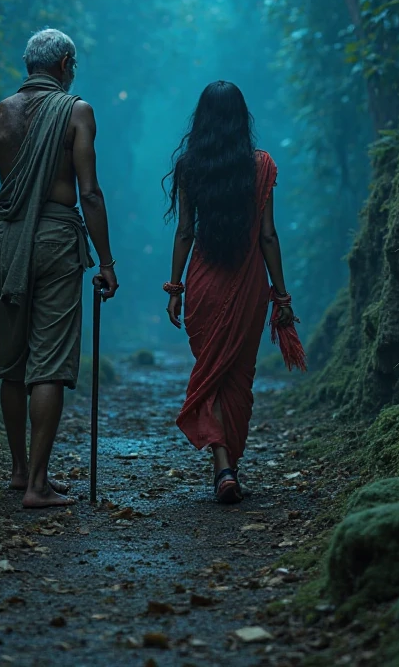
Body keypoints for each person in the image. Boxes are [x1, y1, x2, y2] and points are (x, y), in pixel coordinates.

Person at [0, 28, 118, 509]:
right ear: (64, 66)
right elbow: (90, 192)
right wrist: (107, 262)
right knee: (48, 364)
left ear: (27, 64)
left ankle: (18, 472)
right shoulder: (76, 111)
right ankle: (38, 484)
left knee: (12, 365)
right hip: (56, 239)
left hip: (5, 241)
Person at [164, 81, 305, 505]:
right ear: (242, 118)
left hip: (204, 284)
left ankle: (223, 465)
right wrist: (282, 297)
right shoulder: (261, 165)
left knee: (212, 374)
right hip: (248, 287)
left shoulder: (191, 166)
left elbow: (185, 231)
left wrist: (175, 289)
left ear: (202, 121)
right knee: (237, 377)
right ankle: (228, 469)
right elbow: (268, 236)